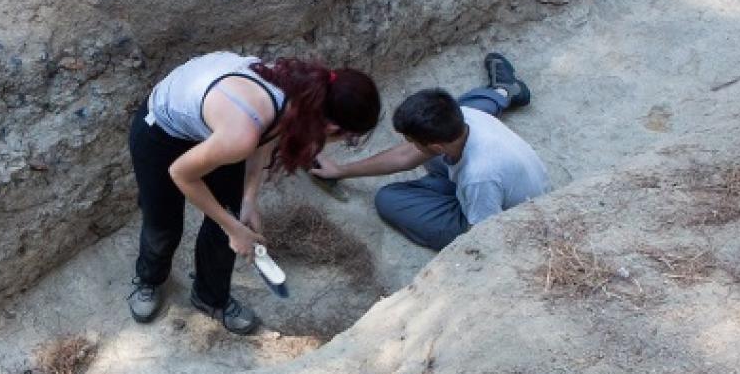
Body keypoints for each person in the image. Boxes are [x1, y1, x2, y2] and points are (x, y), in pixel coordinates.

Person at [127, 52, 380, 334]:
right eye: (349, 137)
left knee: (233, 213)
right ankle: (150, 278)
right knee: (164, 220)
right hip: (160, 133)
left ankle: (211, 297)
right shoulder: (243, 131)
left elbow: (265, 137)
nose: (344, 142)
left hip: (217, 127)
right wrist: (234, 229)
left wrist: (248, 200)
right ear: (332, 127)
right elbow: (182, 174)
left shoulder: (302, 95)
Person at [313, 53, 547, 250]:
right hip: (500, 177)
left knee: (389, 200)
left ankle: (500, 94)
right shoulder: (465, 116)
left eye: (413, 142)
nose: (409, 147)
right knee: (461, 106)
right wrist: (341, 170)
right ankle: (503, 92)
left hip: (506, 212)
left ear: (436, 147)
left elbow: (486, 236)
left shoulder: (478, 178)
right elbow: (405, 157)